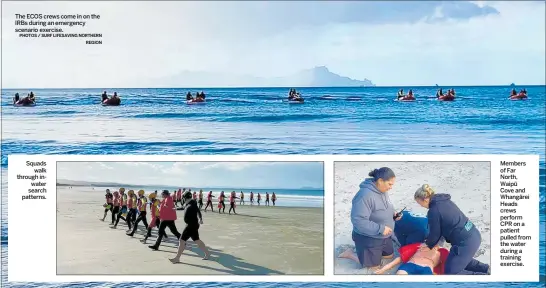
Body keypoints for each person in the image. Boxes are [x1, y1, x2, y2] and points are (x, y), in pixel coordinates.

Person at [414, 184, 490, 275]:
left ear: (425, 199)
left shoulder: (434, 211)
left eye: (419, 203)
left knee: (451, 273)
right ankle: (487, 269)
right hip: (473, 234)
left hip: (465, 243)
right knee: (458, 261)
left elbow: (435, 234)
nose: (421, 206)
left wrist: (427, 244)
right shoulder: (444, 201)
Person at [338, 167, 398, 271]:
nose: (391, 187)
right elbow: (358, 221)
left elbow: (385, 207)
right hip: (369, 237)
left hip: (385, 236)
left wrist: (393, 214)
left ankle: (367, 255)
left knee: (389, 257)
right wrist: (380, 229)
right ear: (380, 181)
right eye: (390, 184)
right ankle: (350, 254)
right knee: (374, 268)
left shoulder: (382, 190)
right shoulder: (364, 195)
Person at [169, 191, 211, 263]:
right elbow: (183, 207)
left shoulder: (193, 204)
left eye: (183, 197)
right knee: (197, 240)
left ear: (185, 197)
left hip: (191, 226)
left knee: (182, 240)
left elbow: (198, 212)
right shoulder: (188, 203)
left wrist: (200, 219)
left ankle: (177, 258)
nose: (183, 199)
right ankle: (207, 254)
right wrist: (176, 209)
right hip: (192, 225)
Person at [374, 242, 450, 275]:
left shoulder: (443, 252)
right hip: (411, 264)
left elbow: (447, 266)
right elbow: (400, 258)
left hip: (426, 268)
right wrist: (384, 269)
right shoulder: (419, 246)